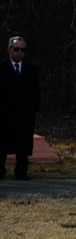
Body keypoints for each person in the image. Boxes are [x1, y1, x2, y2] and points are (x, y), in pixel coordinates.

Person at [0, 36, 40, 180]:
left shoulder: (31, 68)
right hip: (5, 112)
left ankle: (21, 172)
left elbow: (36, 90)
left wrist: (34, 107)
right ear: (9, 49)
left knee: (23, 143)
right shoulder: (2, 67)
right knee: (2, 142)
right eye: (16, 49)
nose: (19, 52)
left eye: (22, 50)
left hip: (24, 112)